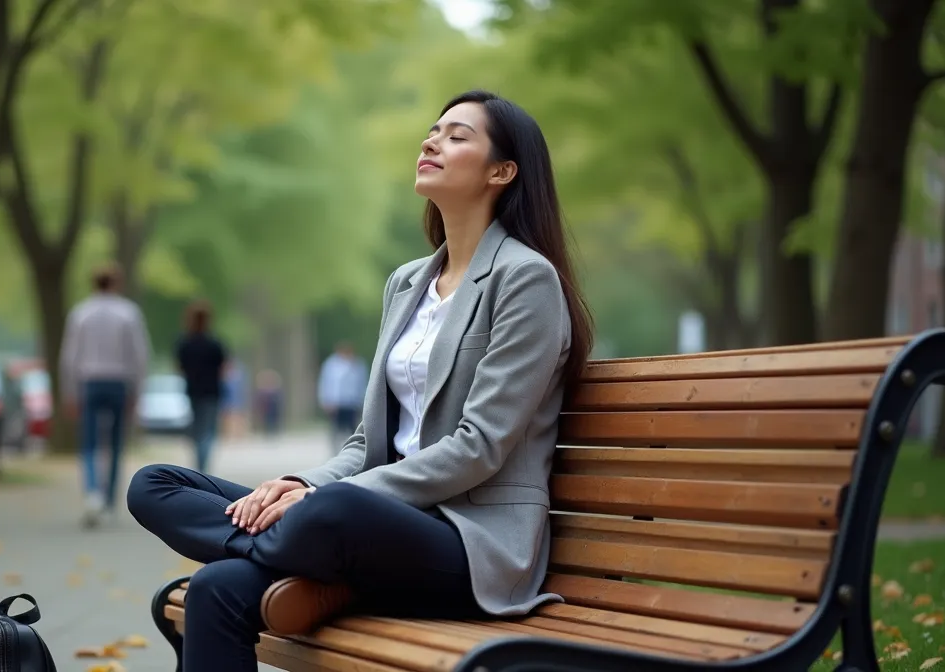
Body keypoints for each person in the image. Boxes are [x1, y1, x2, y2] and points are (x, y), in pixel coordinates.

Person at [126, 90, 594, 671]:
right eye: (432, 130)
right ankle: (301, 543)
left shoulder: (526, 280)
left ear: (502, 171)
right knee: (162, 495)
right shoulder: (406, 284)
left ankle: (306, 539)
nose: (431, 141)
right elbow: (364, 444)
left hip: (468, 541)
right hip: (367, 527)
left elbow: (479, 447)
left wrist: (317, 500)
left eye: (456, 135)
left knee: (335, 510)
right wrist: (298, 482)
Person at [60, 263, 151, 528]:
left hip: (89, 382)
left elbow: (69, 357)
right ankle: (110, 501)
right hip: (118, 382)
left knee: (88, 443)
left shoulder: (80, 313)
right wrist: (138, 390)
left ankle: (92, 493)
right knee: (114, 444)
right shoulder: (128, 313)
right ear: (117, 283)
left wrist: (69, 392)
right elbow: (139, 355)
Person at [175, 299, 229, 473]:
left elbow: (180, 367)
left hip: (193, 391)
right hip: (212, 392)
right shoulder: (214, 344)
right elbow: (224, 368)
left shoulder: (184, 343)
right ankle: (203, 466)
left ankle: (199, 464)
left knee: (197, 429)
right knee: (209, 431)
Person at [316, 342, 368, 454]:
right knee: (335, 430)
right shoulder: (330, 364)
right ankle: (335, 452)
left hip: (352, 403)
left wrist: (363, 401)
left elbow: (362, 384)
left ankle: (353, 450)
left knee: (353, 429)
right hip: (336, 403)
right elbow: (325, 383)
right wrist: (326, 400)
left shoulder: (357, 364)